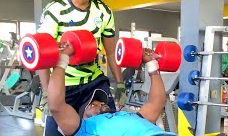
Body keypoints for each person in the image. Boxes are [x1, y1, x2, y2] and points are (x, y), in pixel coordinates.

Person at [36, 0, 125, 135]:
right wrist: (47, 93)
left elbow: (110, 52)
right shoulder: (54, 11)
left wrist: (120, 84)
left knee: (110, 130)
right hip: (64, 86)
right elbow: (43, 56)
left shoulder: (104, 11)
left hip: (94, 82)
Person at [46, 43, 177, 136]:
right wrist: (62, 60)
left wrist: (151, 64)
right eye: (93, 103)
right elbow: (56, 106)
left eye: (101, 102)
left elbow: (157, 102)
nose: (102, 103)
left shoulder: (130, 116)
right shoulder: (83, 128)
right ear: (82, 116)